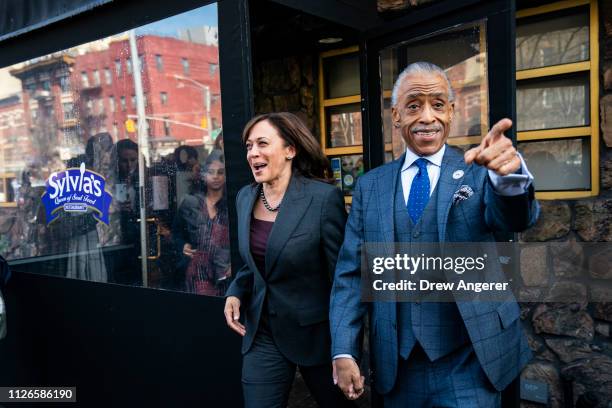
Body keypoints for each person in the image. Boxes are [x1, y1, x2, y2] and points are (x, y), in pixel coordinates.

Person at [330, 62, 539, 407]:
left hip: (470, 360)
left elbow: (515, 218)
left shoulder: (477, 172)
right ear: (396, 116)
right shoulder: (371, 187)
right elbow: (351, 276)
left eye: (438, 105)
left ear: (451, 112)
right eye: (414, 106)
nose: (427, 116)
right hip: (399, 366)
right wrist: (343, 349)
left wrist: (508, 179)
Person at [224, 112, 354, 408]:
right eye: (248, 146)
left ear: (290, 150)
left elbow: (344, 276)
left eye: (262, 143)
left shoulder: (323, 199)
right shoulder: (245, 197)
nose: (253, 152)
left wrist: (346, 348)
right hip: (264, 332)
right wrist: (235, 291)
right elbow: (256, 263)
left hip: (317, 335)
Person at [173, 150, 230, 296]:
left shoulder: (234, 204)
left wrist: (234, 264)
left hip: (226, 273)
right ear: (204, 176)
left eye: (220, 172)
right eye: (211, 172)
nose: (216, 176)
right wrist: (183, 246)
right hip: (197, 272)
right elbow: (177, 233)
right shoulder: (189, 203)